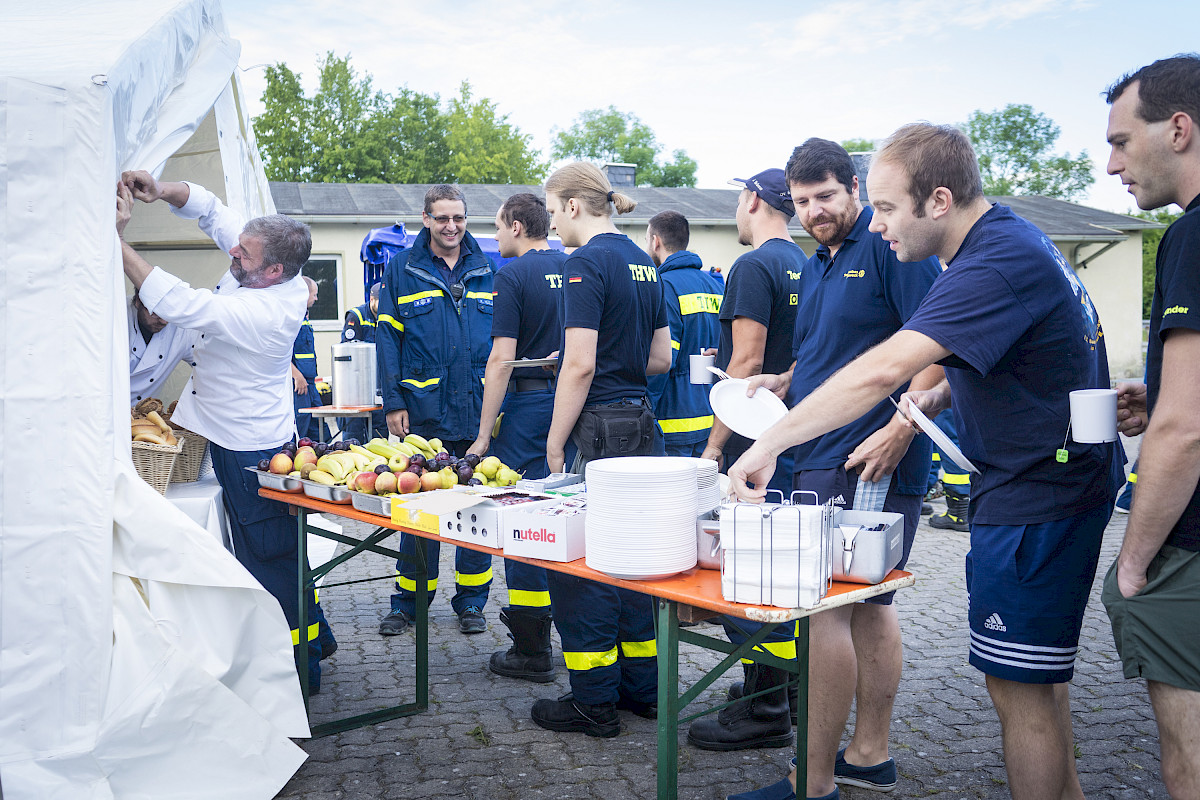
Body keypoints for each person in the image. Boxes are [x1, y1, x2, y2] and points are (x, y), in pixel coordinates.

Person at [726, 124, 1123, 800]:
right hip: (1037, 488)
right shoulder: (1009, 242)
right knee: (1032, 685)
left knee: (1020, 697)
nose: (876, 223)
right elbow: (964, 363)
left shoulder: (988, 260)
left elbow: (887, 367)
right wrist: (925, 400)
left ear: (938, 200)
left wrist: (769, 444)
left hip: (1037, 496)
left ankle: (819, 779)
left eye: (882, 206)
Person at [699, 140, 942, 791]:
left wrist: (899, 429)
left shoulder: (891, 248)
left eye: (825, 196)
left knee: (831, 609)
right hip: (821, 454)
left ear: (855, 187)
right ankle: (867, 756)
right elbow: (831, 350)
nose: (814, 211)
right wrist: (785, 380)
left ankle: (814, 783)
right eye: (802, 201)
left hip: (869, 459)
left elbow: (938, 345)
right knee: (864, 606)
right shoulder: (820, 260)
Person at [116, 170, 334, 691]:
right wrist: (163, 189)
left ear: (275, 269)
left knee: (269, 554)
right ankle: (317, 639)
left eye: (243, 259)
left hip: (249, 446)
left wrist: (114, 240)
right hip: (241, 432)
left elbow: (183, 305)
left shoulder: (263, 310)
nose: (232, 259)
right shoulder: (262, 257)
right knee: (280, 545)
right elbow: (212, 208)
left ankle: (301, 672)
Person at [532, 162, 671, 738]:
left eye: (550, 208)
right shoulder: (644, 261)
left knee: (582, 565)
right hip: (643, 424)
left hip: (597, 431)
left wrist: (555, 439)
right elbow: (661, 358)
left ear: (571, 205)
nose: (551, 223)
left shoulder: (584, 262)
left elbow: (581, 363)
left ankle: (593, 701)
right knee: (638, 559)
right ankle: (645, 692)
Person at [1101, 54, 1200, 800]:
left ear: (1178, 129)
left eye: (1122, 142)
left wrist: (1133, 565)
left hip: (1190, 553)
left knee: (1189, 757)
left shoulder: (1190, 239)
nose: (1111, 166)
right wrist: (1160, 390)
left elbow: (1185, 432)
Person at [691, 168, 806, 755]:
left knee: (751, 577)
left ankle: (762, 709)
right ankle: (790, 696)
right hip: (797, 440)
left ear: (754, 201)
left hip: (756, 440)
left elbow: (746, 361)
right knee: (787, 571)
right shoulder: (806, 262)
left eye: (739, 197)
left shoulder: (753, 266)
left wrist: (714, 445)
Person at [375, 184, 496, 636]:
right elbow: (387, 338)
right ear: (425, 219)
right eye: (442, 218)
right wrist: (394, 400)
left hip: (478, 411)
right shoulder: (402, 269)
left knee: (476, 507)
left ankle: (472, 603)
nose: (452, 227)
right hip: (423, 411)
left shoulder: (486, 268)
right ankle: (409, 602)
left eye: (459, 218)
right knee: (419, 511)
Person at [466, 193, 569, 683]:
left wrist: (484, 434)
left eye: (499, 227)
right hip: (574, 403)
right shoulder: (575, 266)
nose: (497, 236)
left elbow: (501, 361)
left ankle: (531, 649)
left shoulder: (513, 275)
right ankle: (577, 635)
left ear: (517, 226)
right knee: (567, 515)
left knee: (526, 521)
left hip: (529, 409)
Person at [644, 211, 724, 457]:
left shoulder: (665, 285)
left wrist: (645, 410)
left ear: (655, 241)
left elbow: (663, 359)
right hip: (712, 418)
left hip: (673, 421)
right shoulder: (715, 284)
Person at [128, 289, 197, 405]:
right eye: (156, 313)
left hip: (144, 416)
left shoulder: (181, 328)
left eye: (169, 314)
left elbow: (207, 365)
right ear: (138, 301)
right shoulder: (115, 316)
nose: (164, 321)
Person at [339, 281, 388, 442]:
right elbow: (349, 350)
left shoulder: (387, 317)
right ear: (372, 299)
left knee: (379, 432)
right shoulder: (356, 316)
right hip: (356, 388)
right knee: (355, 433)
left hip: (379, 386)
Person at [291, 276, 325, 442]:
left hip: (310, 385)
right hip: (299, 386)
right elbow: (279, 353)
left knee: (320, 431)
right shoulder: (290, 318)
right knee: (300, 430)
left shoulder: (303, 317)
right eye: (314, 294)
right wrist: (297, 376)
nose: (316, 299)